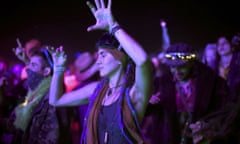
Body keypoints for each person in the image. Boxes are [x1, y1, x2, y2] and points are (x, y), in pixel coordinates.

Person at [48, 0, 153, 143]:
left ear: (119, 58)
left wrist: (113, 27)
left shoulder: (134, 93)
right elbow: (56, 100)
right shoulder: (96, 90)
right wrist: (58, 69)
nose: (98, 62)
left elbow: (142, 61)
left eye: (103, 55)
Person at [144, 42, 230, 144]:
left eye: (181, 67)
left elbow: (224, 110)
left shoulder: (212, 82)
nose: (176, 71)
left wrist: (207, 124)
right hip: (169, 139)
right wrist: (148, 102)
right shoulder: (160, 83)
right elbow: (145, 111)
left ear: (191, 63)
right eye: (172, 67)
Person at [0, 47, 72, 144]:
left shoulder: (52, 100)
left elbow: (52, 140)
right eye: (29, 64)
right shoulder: (34, 94)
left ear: (46, 71)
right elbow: (16, 126)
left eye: (33, 65)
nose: (28, 69)